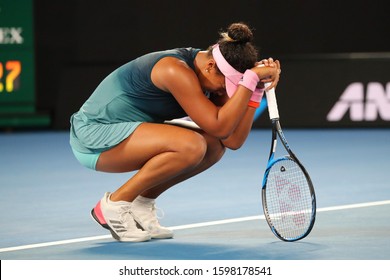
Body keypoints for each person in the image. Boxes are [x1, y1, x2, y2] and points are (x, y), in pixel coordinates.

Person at [69, 22, 281, 242]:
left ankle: (142, 204)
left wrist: (255, 91)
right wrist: (250, 80)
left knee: (213, 146)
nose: (224, 90)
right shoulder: (174, 70)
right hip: (93, 137)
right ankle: (114, 204)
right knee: (191, 145)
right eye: (227, 84)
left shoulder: (211, 73)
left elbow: (232, 140)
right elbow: (221, 126)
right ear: (210, 66)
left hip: (129, 134)